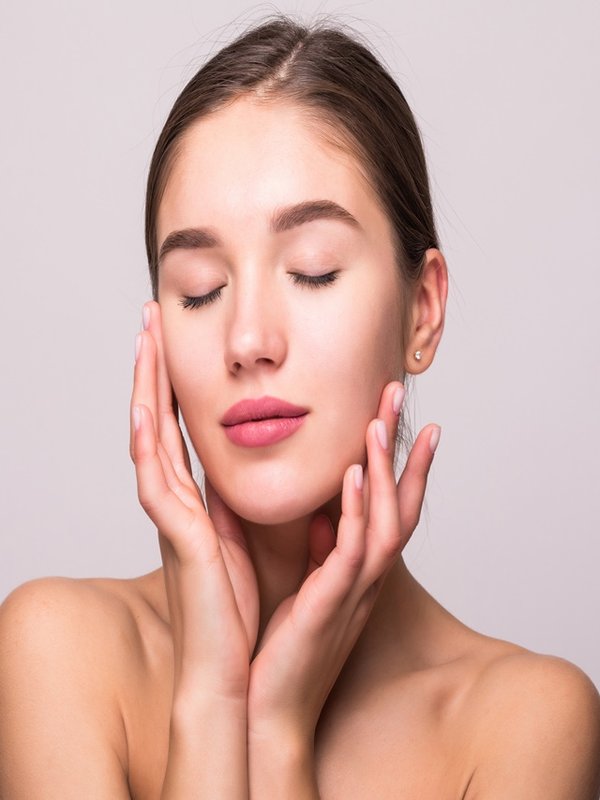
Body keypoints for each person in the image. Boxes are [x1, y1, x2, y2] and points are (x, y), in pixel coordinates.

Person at [1, 13, 599, 799]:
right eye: (200, 289)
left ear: (422, 311)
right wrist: (210, 698)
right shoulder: (56, 651)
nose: (247, 338)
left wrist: (276, 733)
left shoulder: (525, 723)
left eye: (313, 271)